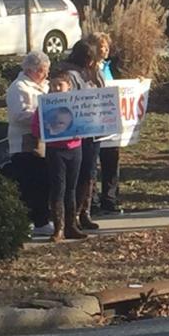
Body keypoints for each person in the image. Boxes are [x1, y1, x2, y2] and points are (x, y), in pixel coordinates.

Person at [34, 70, 86, 242]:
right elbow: (35, 128)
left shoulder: (77, 103)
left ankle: (71, 226)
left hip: (75, 149)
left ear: (68, 86)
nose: (56, 88)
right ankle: (59, 228)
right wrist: (45, 130)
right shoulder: (45, 105)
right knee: (58, 188)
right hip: (55, 150)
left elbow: (88, 122)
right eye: (53, 85)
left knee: (71, 188)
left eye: (60, 85)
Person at [6, 51, 52, 235]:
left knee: (43, 181)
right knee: (28, 182)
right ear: (30, 70)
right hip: (24, 142)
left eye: (47, 70)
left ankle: (42, 219)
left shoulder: (46, 86)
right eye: (42, 70)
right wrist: (43, 115)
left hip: (44, 141)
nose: (46, 74)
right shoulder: (19, 87)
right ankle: (29, 221)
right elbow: (19, 115)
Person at [62, 39, 104, 231]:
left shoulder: (93, 73)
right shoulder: (70, 75)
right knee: (80, 174)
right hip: (80, 132)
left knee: (90, 172)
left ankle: (84, 212)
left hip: (94, 130)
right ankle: (73, 216)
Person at [88, 32, 123, 216]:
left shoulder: (112, 66)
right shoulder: (87, 69)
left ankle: (109, 200)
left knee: (111, 159)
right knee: (92, 162)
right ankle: (92, 202)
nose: (106, 49)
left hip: (111, 120)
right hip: (94, 121)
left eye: (107, 46)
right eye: (102, 46)